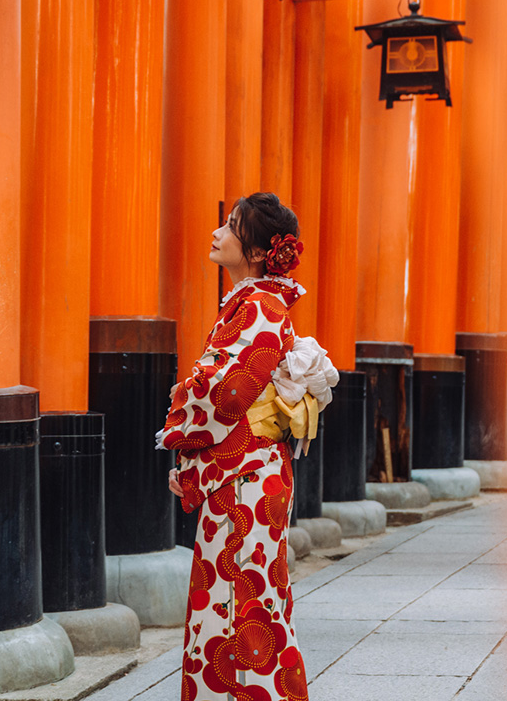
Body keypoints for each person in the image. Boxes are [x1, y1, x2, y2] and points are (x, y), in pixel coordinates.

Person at [156, 192, 336, 701]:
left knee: (241, 599)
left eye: (231, 226)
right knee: (247, 595)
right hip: (247, 472)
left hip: (246, 478)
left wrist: (185, 400)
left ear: (257, 252)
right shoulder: (255, 303)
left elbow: (224, 392)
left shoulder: (258, 306)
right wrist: (192, 460)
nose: (218, 233)